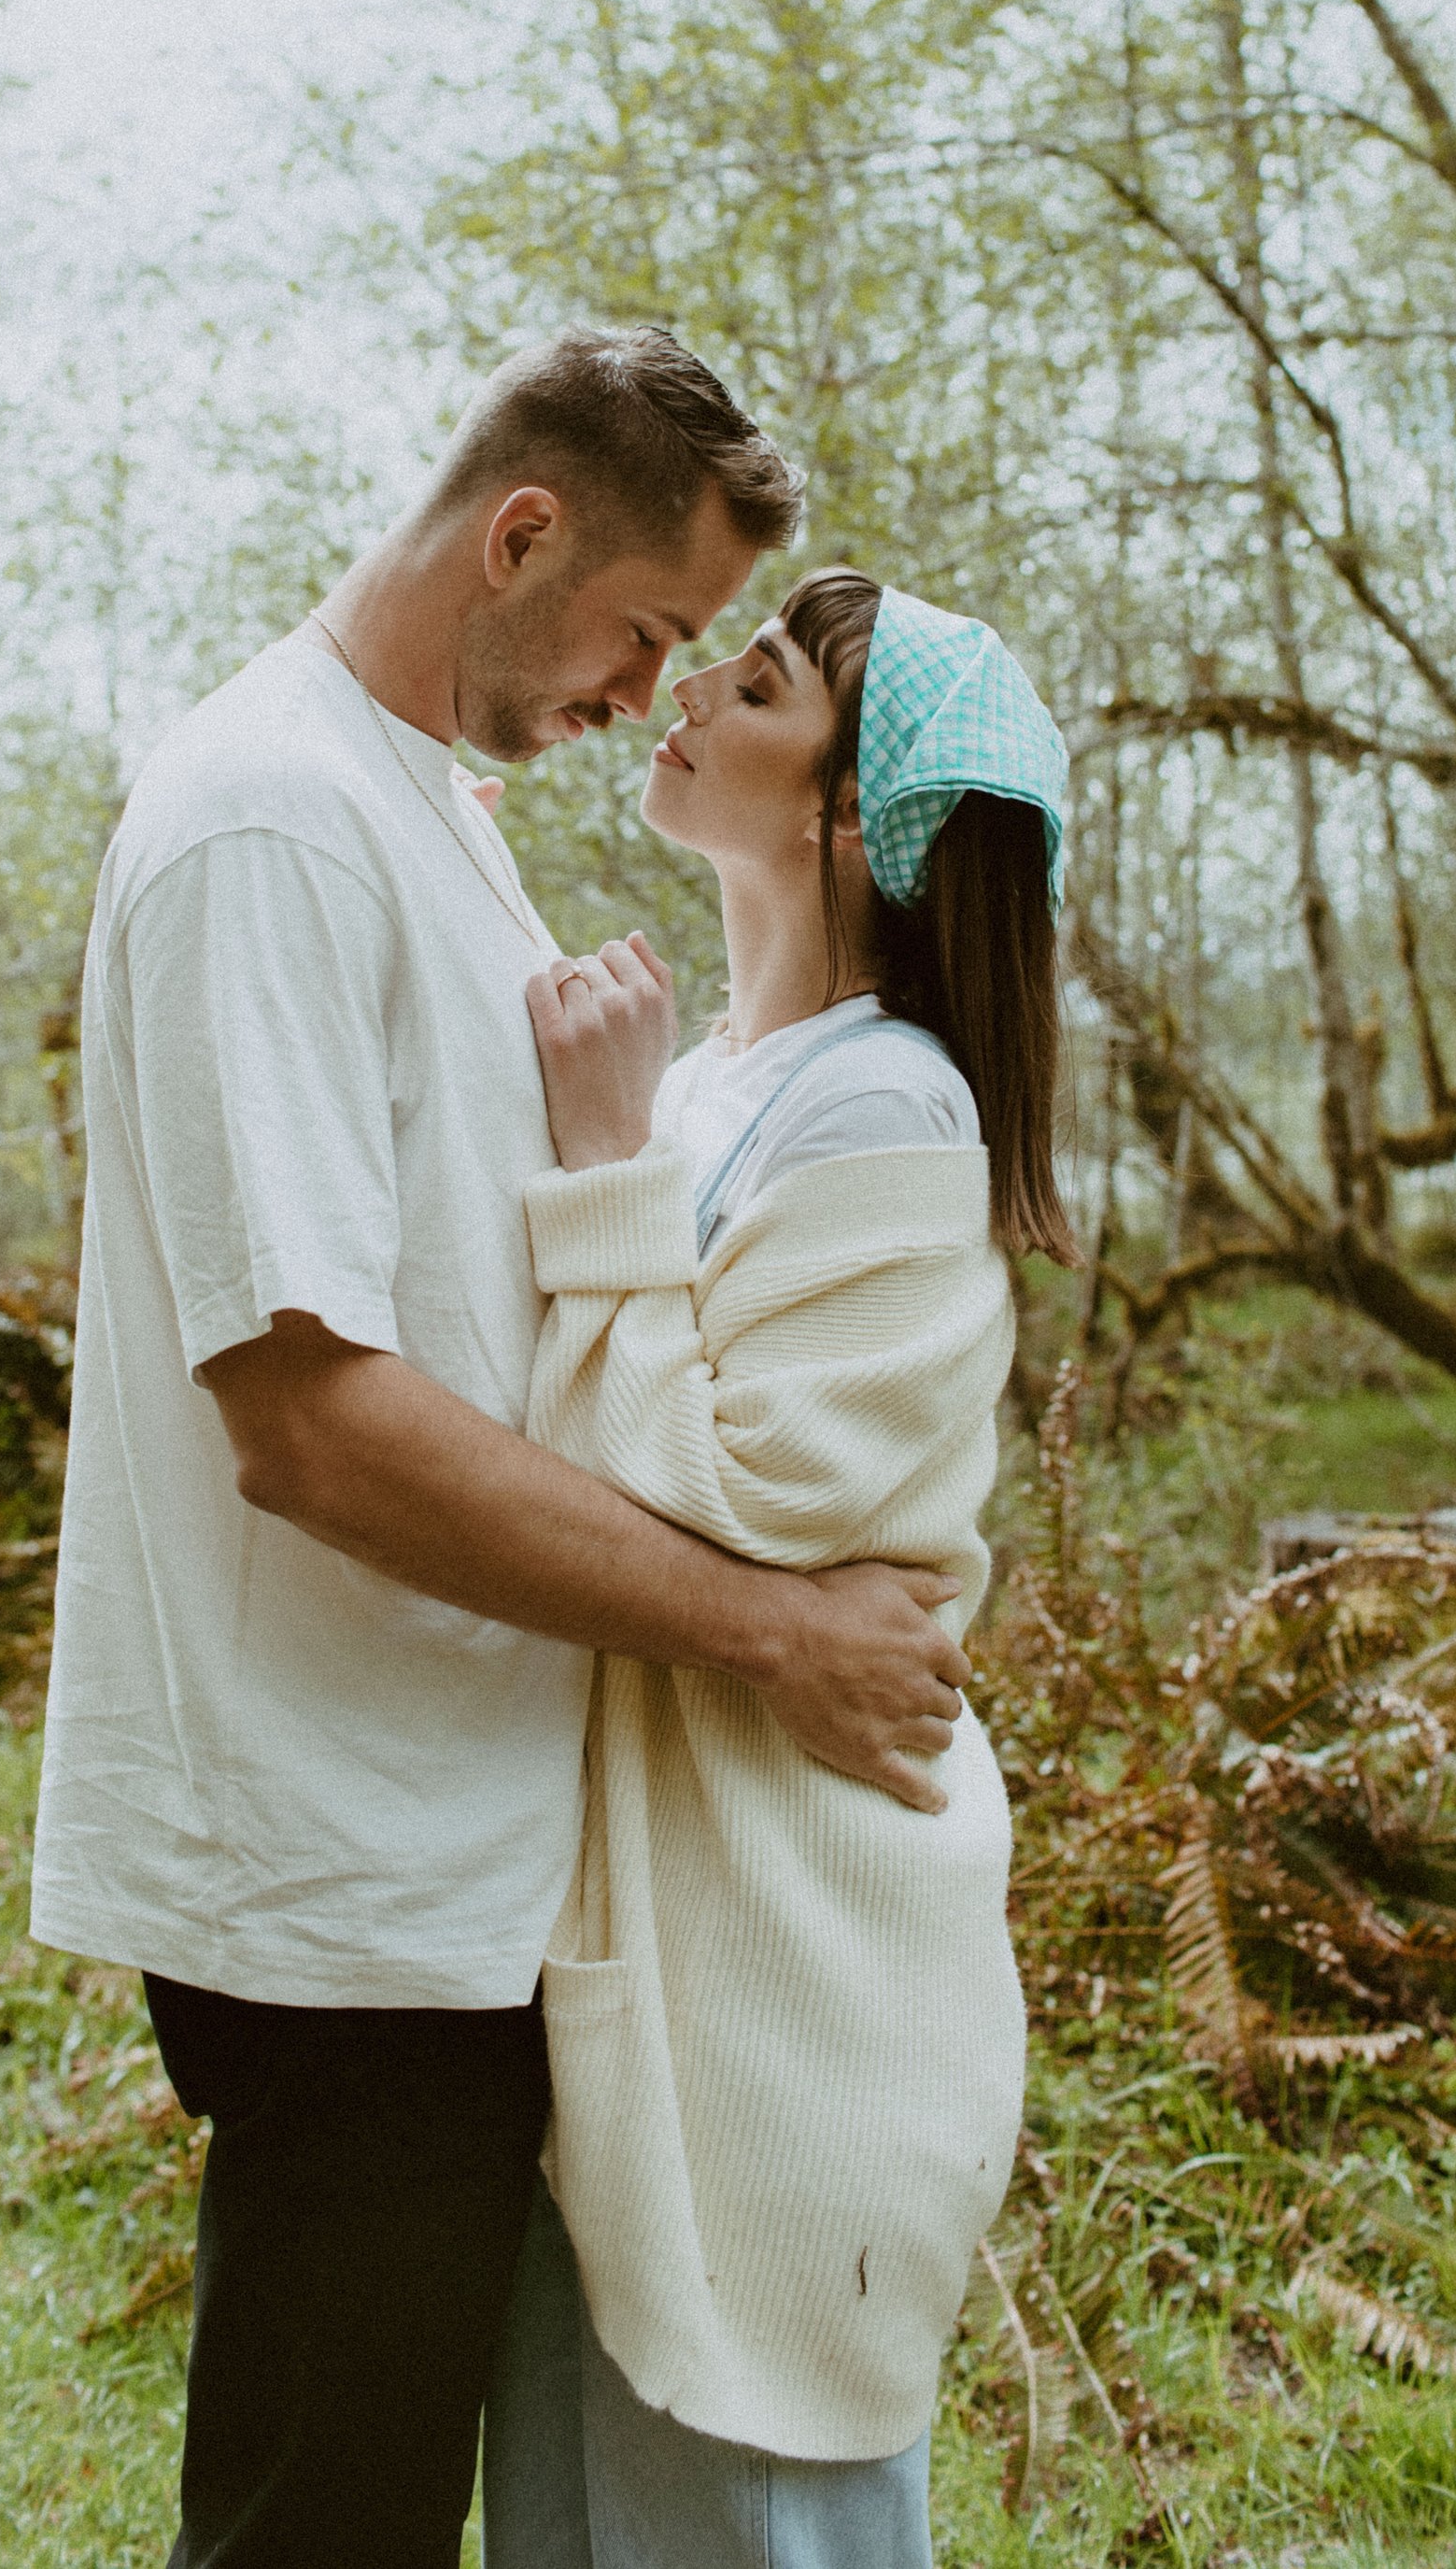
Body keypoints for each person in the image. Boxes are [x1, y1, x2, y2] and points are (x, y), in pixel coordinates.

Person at [29, 330, 977, 2569]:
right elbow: (313, 1427)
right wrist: (770, 1635)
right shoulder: (270, 818)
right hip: (335, 1867)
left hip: (460, 1857)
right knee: (318, 2529)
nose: (646, 693)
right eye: (648, 633)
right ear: (519, 533)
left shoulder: (425, 808)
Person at [480, 564, 1076, 2569]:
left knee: (748, 2509)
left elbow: (738, 1498)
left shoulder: (887, 1104)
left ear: (850, 821)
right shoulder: (733, 1082)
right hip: (660, 1917)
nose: (679, 699)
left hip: (786, 1950)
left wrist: (598, 1169)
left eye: (748, 690)